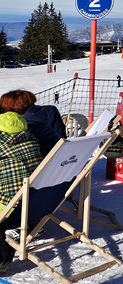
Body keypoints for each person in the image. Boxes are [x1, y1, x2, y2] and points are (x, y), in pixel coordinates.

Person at [0, 111, 42, 273]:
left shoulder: (2, 146)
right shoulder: (32, 141)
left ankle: (2, 257)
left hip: (10, 205)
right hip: (35, 202)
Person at [0, 90, 66, 157]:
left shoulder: (21, 126)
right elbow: (62, 137)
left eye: (4, 106)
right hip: (61, 156)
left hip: (42, 162)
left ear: (14, 107)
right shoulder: (50, 110)